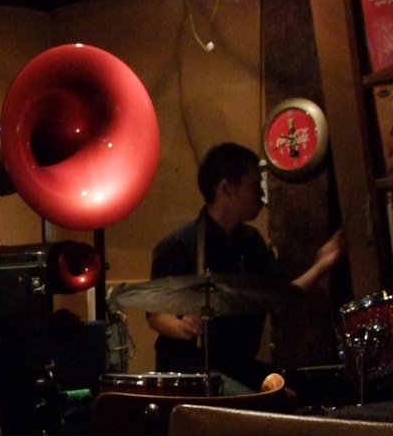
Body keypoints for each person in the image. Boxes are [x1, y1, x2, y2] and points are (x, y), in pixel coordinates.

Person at [146, 142, 345, 392]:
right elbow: (155, 315)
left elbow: (283, 294)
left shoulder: (251, 242)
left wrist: (322, 263)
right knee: (264, 402)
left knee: (305, 391)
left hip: (237, 366)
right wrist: (180, 326)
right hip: (190, 370)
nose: (261, 195)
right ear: (227, 189)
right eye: (254, 185)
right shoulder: (178, 246)